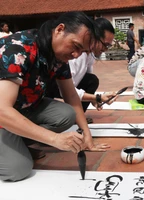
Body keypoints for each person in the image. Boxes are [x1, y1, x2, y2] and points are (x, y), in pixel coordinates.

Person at [0, 11, 112, 182]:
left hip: (22, 107)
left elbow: (72, 96)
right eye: (75, 46)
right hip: (3, 113)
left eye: (81, 51)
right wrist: (55, 139)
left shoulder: (58, 57)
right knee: (18, 169)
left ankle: (17, 136)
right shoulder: (18, 50)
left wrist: (86, 133)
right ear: (60, 30)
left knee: (66, 114)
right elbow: (2, 110)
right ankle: (14, 139)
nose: (76, 55)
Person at [45, 18, 115, 124]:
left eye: (109, 46)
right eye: (105, 45)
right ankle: (73, 117)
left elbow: (87, 78)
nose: (105, 49)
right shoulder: (73, 55)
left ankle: (78, 116)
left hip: (70, 87)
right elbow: (68, 90)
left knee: (92, 80)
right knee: (65, 114)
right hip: (57, 87)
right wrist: (96, 97)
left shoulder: (89, 54)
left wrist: (93, 99)